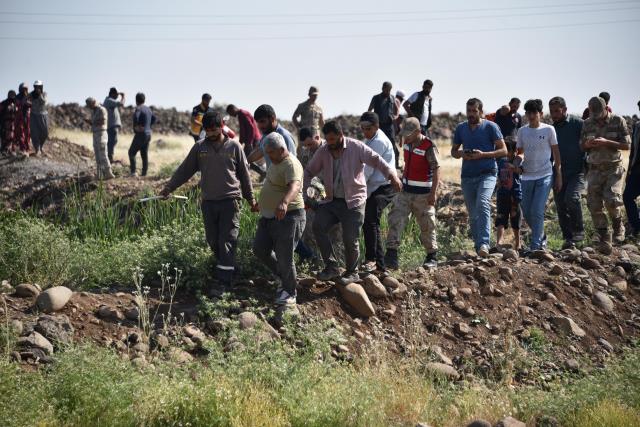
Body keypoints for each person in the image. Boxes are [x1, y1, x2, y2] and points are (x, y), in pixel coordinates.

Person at [160, 111, 257, 293]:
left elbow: (245, 175)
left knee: (227, 240)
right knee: (213, 240)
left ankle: (224, 283)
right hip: (209, 202)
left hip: (231, 200)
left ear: (222, 126)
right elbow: (184, 170)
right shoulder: (199, 148)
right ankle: (231, 270)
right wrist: (169, 188)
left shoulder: (234, 147)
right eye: (208, 130)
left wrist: (251, 198)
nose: (211, 134)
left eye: (214, 130)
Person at [303, 120, 401, 284]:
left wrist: (392, 176)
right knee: (318, 226)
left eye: (333, 139)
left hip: (354, 202)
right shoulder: (324, 150)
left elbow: (377, 161)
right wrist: (305, 193)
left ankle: (352, 272)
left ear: (341, 135)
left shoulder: (356, 147)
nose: (330, 143)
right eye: (328, 140)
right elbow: (308, 171)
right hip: (332, 200)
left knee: (350, 238)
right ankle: (331, 267)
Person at [253, 132, 306, 310]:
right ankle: (283, 277)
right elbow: (272, 185)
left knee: (285, 254)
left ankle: (291, 292)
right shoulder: (275, 162)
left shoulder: (291, 164)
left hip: (290, 215)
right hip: (270, 215)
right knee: (260, 249)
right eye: (266, 152)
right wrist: (260, 204)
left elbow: (295, 186)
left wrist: (284, 202)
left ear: (282, 149)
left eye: (271, 153)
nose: (268, 156)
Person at [451, 98, 507, 257]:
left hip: (487, 173)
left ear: (481, 112)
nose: (471, 114)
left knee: (483, 203)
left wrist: (483, 155)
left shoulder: (491, 127)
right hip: (467, 176)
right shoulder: (461, 128)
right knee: (473, 213)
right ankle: (478, 247)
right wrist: (463, 154)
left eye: (474, 111)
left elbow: (503, 151)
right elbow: (454, 152)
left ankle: (484, 243)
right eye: (468, 111)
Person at [385, 117, 440, 269]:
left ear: (418, 132)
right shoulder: (407, 144)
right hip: (405, 192)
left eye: (409, 134)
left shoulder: (428, 146)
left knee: (427, 224)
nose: (406, 137)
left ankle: (432, 256)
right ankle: (391, 255)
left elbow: (436, 169)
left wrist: (433, 193)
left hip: (423, 194)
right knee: (395, 219)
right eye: (405, 134)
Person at [581, 96, 631, 253]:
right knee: (594, 203)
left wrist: (607, 142)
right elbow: (581, 145)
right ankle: (604, 235)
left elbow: (626, 144)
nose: (596, 118)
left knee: (611, 199)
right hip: (594, 168)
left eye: (599, 114)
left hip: (613, 168)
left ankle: (618, 228)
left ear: (605, 108)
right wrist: (587, 144)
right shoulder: (587, 123)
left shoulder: (618, 121)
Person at [512, 99, 562, 252]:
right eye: (528, 113)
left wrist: (558, 175)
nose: (531, 116)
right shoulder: (522, 131)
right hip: (526, 176)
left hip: (545, 175)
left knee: (537, 210)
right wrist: (516, 163)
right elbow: (520, 153)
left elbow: (556, 155)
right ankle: (541, 237)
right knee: (527, 211)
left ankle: (535, 247)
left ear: (540, 114)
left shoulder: (549, 130)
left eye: (534, 113)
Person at [359, 111, 396, 272]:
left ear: (376, 126)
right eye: (362, 128)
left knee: (371, 219)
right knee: (368, 221)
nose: (364, 132)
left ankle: (375, 262)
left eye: (367, 128)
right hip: (374, 186)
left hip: (385, 186)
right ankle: (376, 262)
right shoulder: (370, 139)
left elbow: (367, 170)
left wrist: (356, 189)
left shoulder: (378, 142)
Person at [549, 96, 585, 248]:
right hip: (558, 173)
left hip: (578, 171)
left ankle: (579, 232)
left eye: (557, 111)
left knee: (572, 198)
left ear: (565, 109)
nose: (554, 114)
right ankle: (568, 239)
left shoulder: (578, 124)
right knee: (560, 204)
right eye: (551, 111)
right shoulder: (551, 129)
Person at [494, 136, 522, 250]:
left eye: (510, 151)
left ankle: (518, 243)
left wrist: (514, 168)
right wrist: (498, 181)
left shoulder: (518, 160)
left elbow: (521, 171)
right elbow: (496, 173)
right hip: (502, 193)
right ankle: (499, 242)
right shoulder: (500, 161)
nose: (508, 153)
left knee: (516, 218)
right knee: (501, 217)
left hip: (515, 193)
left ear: (515, 151)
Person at [248, 104, 297, 169]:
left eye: (262, 121)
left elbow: (293, 164)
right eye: (258, 122)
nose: (259, 126)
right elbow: (260, 151)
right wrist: (245, 161)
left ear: (272, 119)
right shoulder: (266, 136)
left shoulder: (285, 136)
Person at [226, 104, 265, 178]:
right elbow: (243, 130)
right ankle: (261, 173)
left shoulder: (243, 114)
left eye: (230, 113)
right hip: (250, 140)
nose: (231, 115)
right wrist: (241, 142)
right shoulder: (241, 114)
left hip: (252, 140)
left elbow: (251, 128)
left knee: (246, 160)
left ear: (233, 109)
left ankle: (262, 173)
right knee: (245, 159)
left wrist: (249, 142)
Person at [368, 82, 399, 167]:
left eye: (389, 90)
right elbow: (369, 110)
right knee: (377, 142)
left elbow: (397, 110)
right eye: (386, 89)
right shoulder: (376, 98)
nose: (387, 91)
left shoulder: (392, 98)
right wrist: (370, 120)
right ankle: (376, 162)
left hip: (389, 125)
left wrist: (395, 117)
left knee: (392, 142)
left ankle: (395, 164)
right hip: (378, 126)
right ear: (382, 88)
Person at [85, 97, 115, 180]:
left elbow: (102, 121)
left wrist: (93, 122)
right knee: (97, 155)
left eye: (89, 105)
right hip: (95, 133)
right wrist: (90, 122)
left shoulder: (102, 109)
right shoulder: (94, 111)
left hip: (101, 134)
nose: (89, 107)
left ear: (94, 102)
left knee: (103, 154)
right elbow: (95, 123)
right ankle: (100, 175)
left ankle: (109, 173)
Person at [623, 100, 640, 238]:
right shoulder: (637, 126)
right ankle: (637, 227)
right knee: (627, 197)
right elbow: (633, 150)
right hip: (636, 169)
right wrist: (629, 170)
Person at [128, 92, 156, 177]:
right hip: (148, 134)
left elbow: (136, 116)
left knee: (131, 152)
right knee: (144, 154)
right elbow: (154, 118)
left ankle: (133, 173)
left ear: (136, 100)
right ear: (144, 100)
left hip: (141, 134)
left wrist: (137, 126)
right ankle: (144, 174)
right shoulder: (148, 109)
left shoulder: (139, 108)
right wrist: (148, 126)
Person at [103, 87, 125, 163]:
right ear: (112, 94)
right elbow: (121, 104)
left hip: (111, 126)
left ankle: (109, 158)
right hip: (112, 126)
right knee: (112, 142)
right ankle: (110, 159)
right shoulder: (109, 100)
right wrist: (123, 96)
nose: (117, 97)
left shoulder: (109, 101)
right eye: (116, 95)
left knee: (113, 142)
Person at [30, 80, 49, 156]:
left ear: (41, 87)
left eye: (38, 87)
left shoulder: (44, 94)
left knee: (45, 132)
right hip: (34, 115)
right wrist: (28, 103)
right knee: (35, 132)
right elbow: (24, 100)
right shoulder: (31, 94)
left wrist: (40, 94)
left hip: (43, 115)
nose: (37, 88)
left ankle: (41, 147)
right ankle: (37, 149)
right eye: (35, 87)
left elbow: (45, 102)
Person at [0, 91, 19, 156]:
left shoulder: (16, 104)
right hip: (5, 122)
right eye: (11, 95)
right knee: (6, 136)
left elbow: (18, 112)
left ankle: (11, 150)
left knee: (12, 136)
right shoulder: (4, 103)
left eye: (13, 95)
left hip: (13, 122)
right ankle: (4, 150)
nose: (12, 96)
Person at [15, 83, 31, 154]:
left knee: (27, 133)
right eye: (23, 89)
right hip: (20, 117)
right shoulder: (17, 97)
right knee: (21, 133)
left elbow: (32, 104)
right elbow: (16, 104)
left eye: (26, 89)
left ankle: (27, 148)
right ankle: (23, 149)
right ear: (20, 89)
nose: (24, 90)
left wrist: (28, 103)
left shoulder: (29, 97)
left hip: (27, 117)